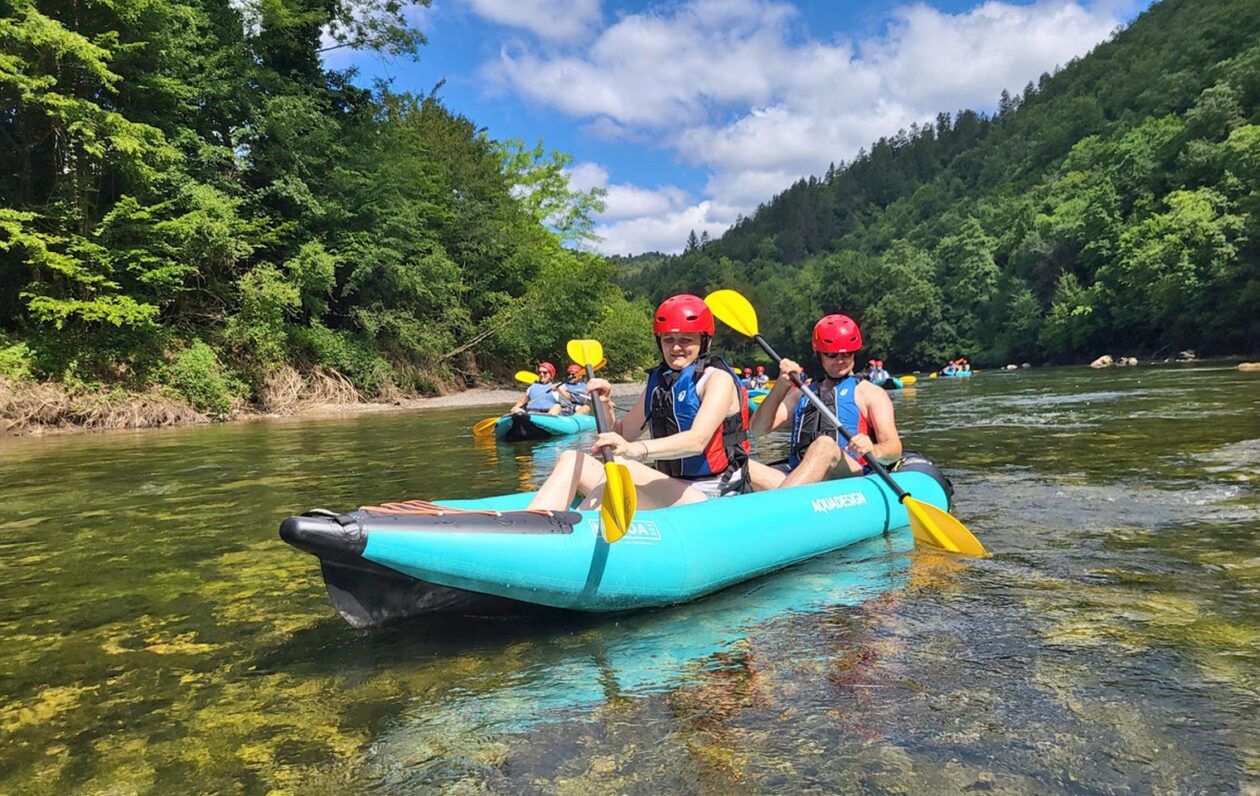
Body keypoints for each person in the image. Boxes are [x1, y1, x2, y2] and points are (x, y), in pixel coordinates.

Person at [528, 294, 752, 511]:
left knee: (623, 466)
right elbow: (624, 433)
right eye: (668, 340)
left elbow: (696, 441)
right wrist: (606, 403)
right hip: (673, 487)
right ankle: (534, 521)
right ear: (659, 341)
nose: (675, 348)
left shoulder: (717, 379)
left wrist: (634, 450)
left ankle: (571, 535)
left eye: (686, 340)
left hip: (712, 495)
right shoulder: (659, 383)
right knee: (572, 458)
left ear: (704, 341)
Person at [746, 314, 902, 491]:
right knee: (741, 464)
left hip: (849, 478)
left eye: (847, 353)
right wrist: (781, 386)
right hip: (801, 479)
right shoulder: (802, 393)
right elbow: (757, 429)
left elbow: (894, 447)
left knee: (824, 445)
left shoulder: (870, 393)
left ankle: (782, 507)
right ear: (819, 354)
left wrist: (874, 450)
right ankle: (784, 502)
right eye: (832, 354)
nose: (840, 360)